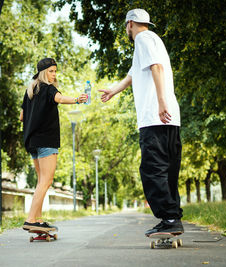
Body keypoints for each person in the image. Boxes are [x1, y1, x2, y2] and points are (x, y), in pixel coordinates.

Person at [99, 9, 184, 236]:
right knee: (168, 171)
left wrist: (161, 101)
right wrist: (113, 91)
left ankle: (168, 217)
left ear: (130, 24)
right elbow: (133, 74)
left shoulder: (143, 39)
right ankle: (172, 217)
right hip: (170, 119)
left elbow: (156, 67)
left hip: (155, 116)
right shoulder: (154, 39)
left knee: (152, 170)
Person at [20, 58, 87, 232]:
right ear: (43, 72)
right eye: (51, 71)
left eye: (55, 71)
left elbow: (21, 117)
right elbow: (60, 98)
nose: (54, 74)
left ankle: (38, 219)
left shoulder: (30, 91)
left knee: (40, 182)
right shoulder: (49, 89)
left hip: (32, 142)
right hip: (46, 140)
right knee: (46, 181)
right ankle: (30, 219)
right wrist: (77, 100)